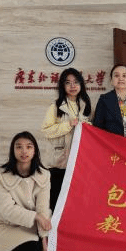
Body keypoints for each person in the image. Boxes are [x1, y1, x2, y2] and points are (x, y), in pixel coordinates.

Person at [0, 131, 52, 251]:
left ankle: (34, 245)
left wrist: (44, 238)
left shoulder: (44, 175)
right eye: (19, 147)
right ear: (13, 150)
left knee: (48, 248)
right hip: (6, 225)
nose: (24, 151)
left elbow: (43, 207)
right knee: (30, 250)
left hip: (33, 226)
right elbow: (7, 210)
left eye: (29, 147)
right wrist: (36, 217)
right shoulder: (0, 175)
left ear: (35, 151)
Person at [41, 67, 92, 211]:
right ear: (62, 86)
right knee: (56, 199)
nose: (72, 86)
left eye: (76, 82)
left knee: (75, 201)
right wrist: (67, 125)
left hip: (79, 161)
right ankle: (52, 225)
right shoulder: (56, 106)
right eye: (68, 83)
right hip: (58, 162)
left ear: (81, 84)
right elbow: (46, 131)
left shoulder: (86, 106)